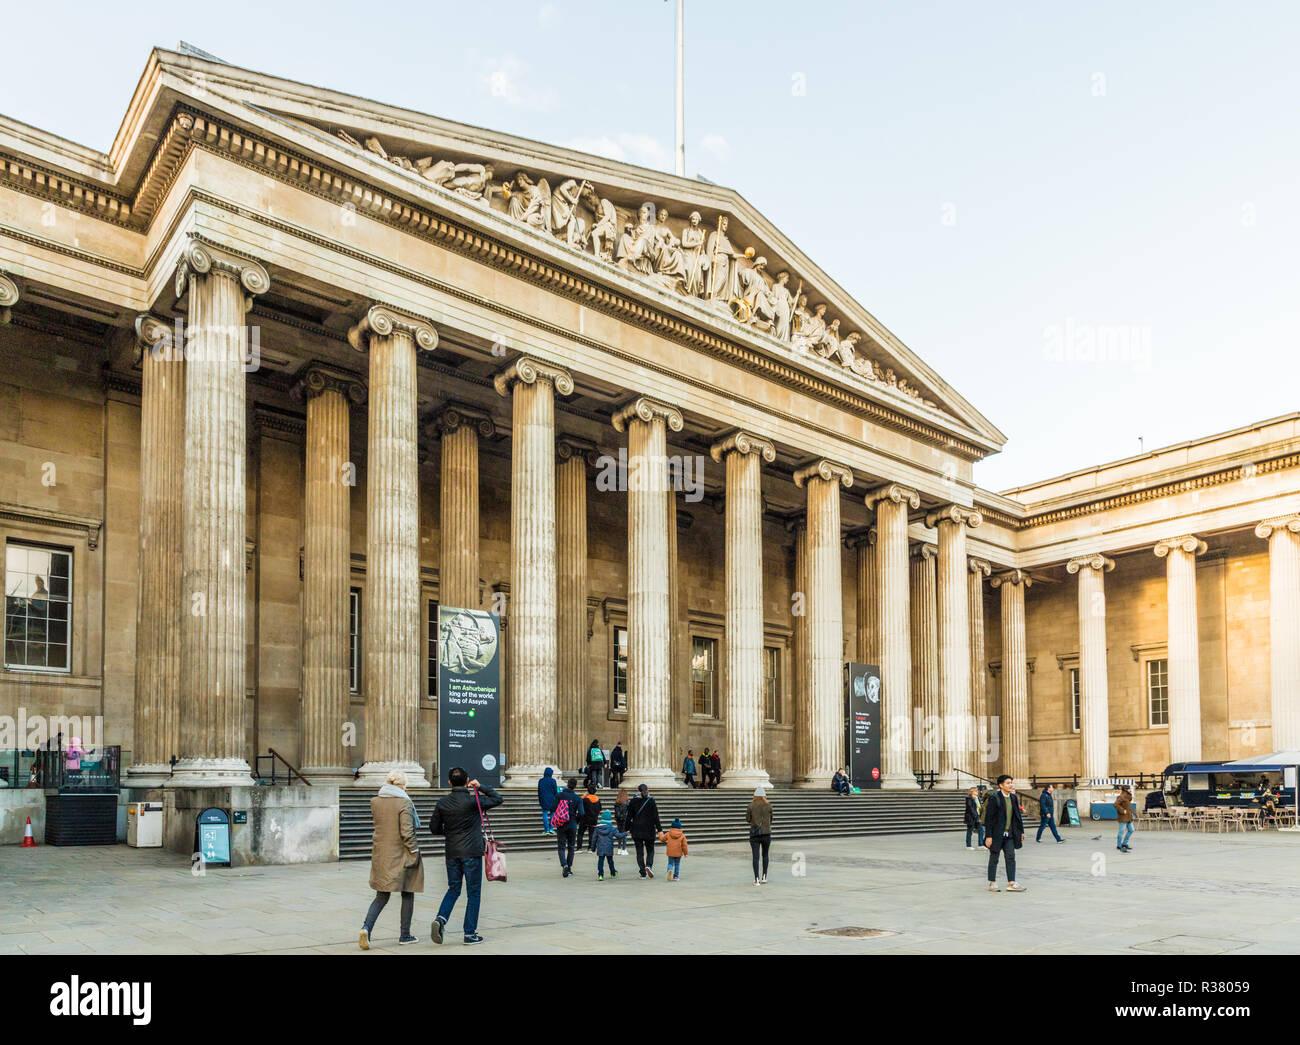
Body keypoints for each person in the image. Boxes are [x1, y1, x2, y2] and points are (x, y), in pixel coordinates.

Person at [428, 767, 502, 946]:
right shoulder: (473, 801)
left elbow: (434, 828)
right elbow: (498, 799)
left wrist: (450, 832)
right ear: (467, 780)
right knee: (473, 892)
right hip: (472, 853)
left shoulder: (442, 803)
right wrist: (481, 786)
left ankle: (441, 918)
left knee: (453, 888)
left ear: (449, 782)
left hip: (452, 852)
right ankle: (469, 933)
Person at [360, 770, 424, 949]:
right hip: (402, 853)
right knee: (408, 892)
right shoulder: (404, 802)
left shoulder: (375, 801)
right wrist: (414, 850)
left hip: (381, 853)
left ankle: (366, 928)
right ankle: (405, 935)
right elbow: (406, 831)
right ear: (403, 785)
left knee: (381, 895)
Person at [982, 774, 1026, 892]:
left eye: (1011, 782)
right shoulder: (994, 798)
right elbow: (989, 819)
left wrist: (1020, 831)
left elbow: (1017, 816)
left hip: (1010, 834)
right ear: (1001, 785)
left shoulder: (1013, 798)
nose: (1010, 785)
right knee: (994, 858)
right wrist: (988, 836)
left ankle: (1011, 882)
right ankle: (992, 882)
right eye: (1007, 783)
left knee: (1011, 857)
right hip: (996, 835)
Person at [627, 783, 663, 879]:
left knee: (639, 852)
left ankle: (643, 873)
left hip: (637, 830)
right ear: (647, 790)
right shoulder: (651, 801)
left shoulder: (633, 801)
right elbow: (656, 817)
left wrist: (627, 829)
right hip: (649, 830)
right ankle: (649, 866)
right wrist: (660, 830)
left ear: (638, 790)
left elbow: (628, 817)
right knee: (650, 850)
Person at [553, 776, 582, 877]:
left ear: (567, 784)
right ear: (575, 786)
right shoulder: (578, 798)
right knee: (571, 847)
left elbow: (553, 808)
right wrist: (576, 821)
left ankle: (564, 864)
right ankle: (569, 867)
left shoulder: (559, 795)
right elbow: (582, 813)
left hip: (561, 824)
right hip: (572, 824)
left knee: (561, 846)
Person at [746, 786, 772, 885]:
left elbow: (748, 819)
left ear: (755, 795)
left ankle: (756, 879)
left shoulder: (751, 805)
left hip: (754, 834)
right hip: (766, 833)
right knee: (765, 855)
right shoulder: (769, 805)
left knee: (755, 857)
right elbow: (771, 819)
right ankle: (764, 876)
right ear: (765, 795)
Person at [658, 817, 689, 881]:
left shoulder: (668, 833)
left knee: (670, 863)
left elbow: (662, 839)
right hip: (678, 853)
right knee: (677, 864)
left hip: (670, 852)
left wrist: (660, 834)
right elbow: (684, 845)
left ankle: (669, 869)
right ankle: (675, 877)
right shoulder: (682, 835)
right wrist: (686, 853)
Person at [578, 782, 602, 852]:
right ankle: (590, 848)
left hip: (585, 819)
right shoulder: (598, 800)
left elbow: (579, 802)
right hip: (594, 819)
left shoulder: (584, 799)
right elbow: (600, 811)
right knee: (591, 834)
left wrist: (583, 795)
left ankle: (579, 848)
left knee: (580, 833)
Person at [594, 809, 618, 880]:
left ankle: (600, 875)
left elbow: (594, 838)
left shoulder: (598, 828)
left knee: (600, 861)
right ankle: (613, 873)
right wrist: (625, 833)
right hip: (609, 847)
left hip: (600, 848)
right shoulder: (612, 828)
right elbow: (618, 835)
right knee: (610, 861)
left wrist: (592, 847)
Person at [537, 766, 558, 835]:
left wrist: (540, 800)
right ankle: (551, 828)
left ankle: (546, 830)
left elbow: (539, 791)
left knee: (545, 814)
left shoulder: (541, 781)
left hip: (544, 799)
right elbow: (555, 791)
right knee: (552, 814)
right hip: (552, 799)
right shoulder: (553, 781)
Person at [1115, 783, 1135, 852]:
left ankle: (1124, 843)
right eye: (1129, 789)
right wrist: (1122, 810)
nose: (1130, 790)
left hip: (1129, 816)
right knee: (1121, 831)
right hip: (1123, 817)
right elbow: (1115, 804)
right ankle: (1119, 845)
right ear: (1126, 789)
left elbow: (1130, 800)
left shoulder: (1127, 796)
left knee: (1131, 830)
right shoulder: (1121, 796)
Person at [613, 787, 631, 856]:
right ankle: (624, 849)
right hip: (625, 820)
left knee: (620, 834)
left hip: (618, 820)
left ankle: (619, 849)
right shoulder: (627, 803)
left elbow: (616, 813)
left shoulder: (616, 803)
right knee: (624, 834)